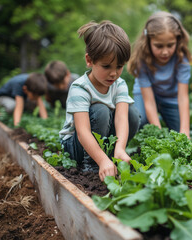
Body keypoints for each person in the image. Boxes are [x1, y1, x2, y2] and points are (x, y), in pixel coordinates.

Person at [59, 20, 140, 182]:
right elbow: (82, 132)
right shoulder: (80, 88)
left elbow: (122, 118)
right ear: (90, 60)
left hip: (100, 139)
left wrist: (120, 148)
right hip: (76, 145)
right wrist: (102, 160)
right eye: (106, 66)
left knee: (132, 114)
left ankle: (111, 155)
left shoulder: (120, 84)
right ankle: (91, 164)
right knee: (101, 110)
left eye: (119, 66)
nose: (113, 74)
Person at [127, 11, 192, 138]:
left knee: (178, 129)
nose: (165, 52)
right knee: (140, 121)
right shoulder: (142, 60)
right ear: (148, 41)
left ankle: (164, 115)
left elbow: (183, 97)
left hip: (171, 97)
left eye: (170, 45)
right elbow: (149, 101)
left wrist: (185, 130)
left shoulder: (181, 59)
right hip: (145, 95)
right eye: (158, 46)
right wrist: (159, 134)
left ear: (177, 40)